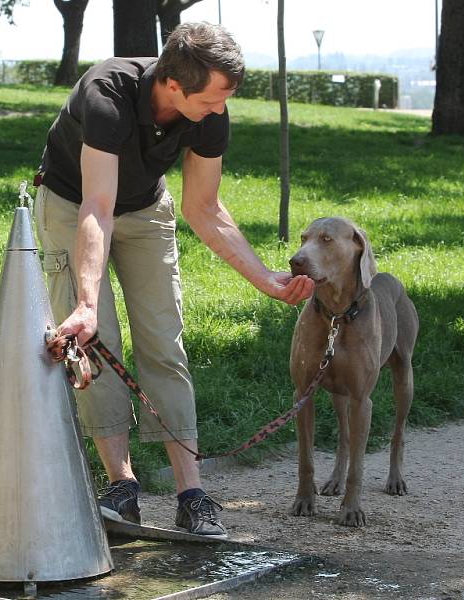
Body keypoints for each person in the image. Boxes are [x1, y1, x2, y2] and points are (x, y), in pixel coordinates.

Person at [34, 22, 313, 539]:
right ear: (174, 86)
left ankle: (192, 494)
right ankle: (122, 487)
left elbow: (203, 208)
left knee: (164, 343)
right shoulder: (107, 94)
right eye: (211, 99)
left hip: (144, 208)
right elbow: (98, 205)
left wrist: (265, 279)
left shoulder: (210, 112)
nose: (219, 110)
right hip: (74, 206)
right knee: (96, 345)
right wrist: (88, 303)